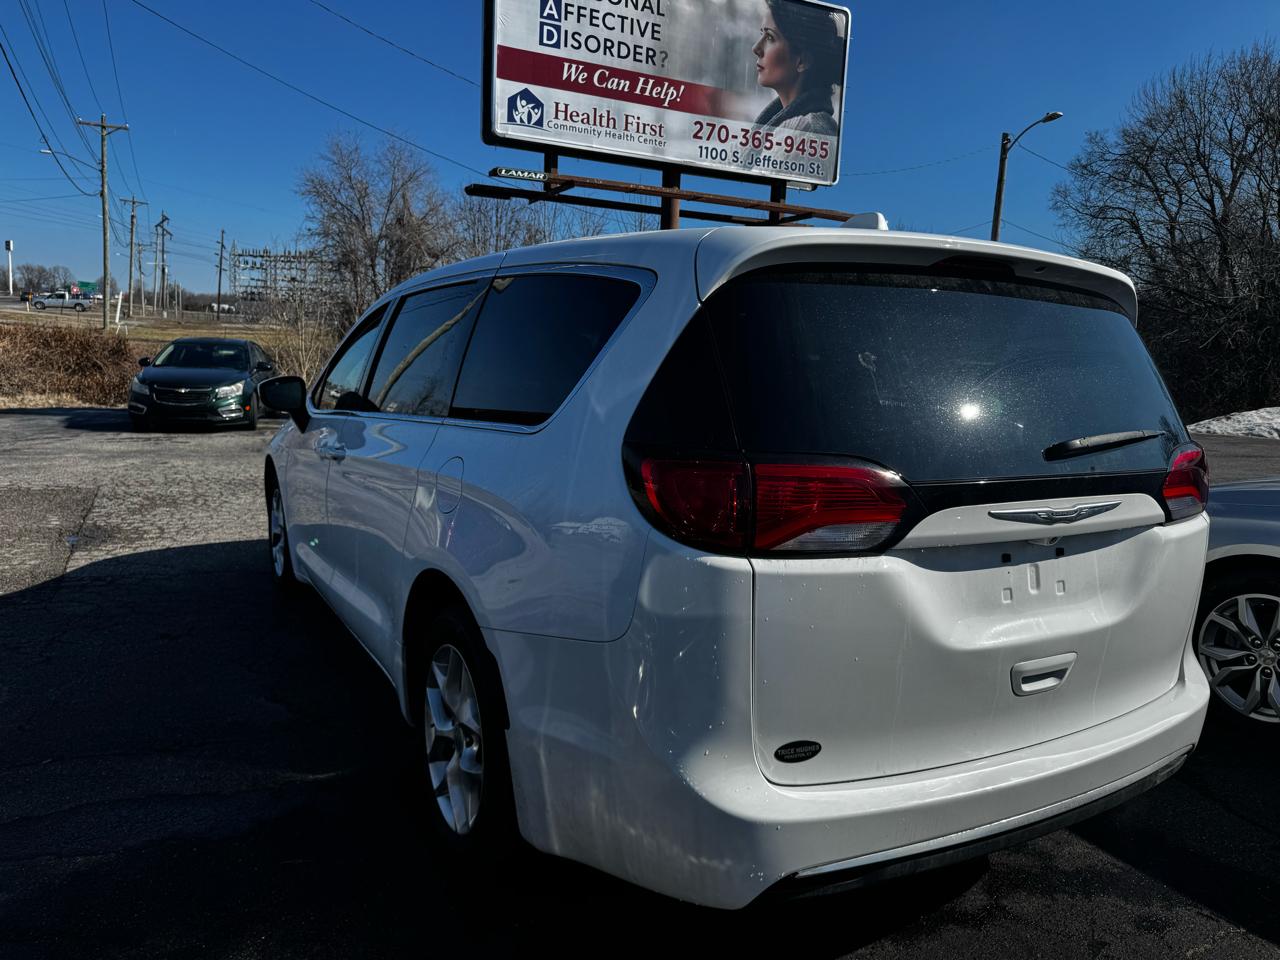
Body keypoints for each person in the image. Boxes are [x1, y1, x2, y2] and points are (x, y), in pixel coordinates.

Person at [751, 0, 843, 135]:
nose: (756, 48)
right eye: (761, 34)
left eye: (770, 37)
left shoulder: (806, 131)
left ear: (802, 61)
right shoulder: (783, 126)